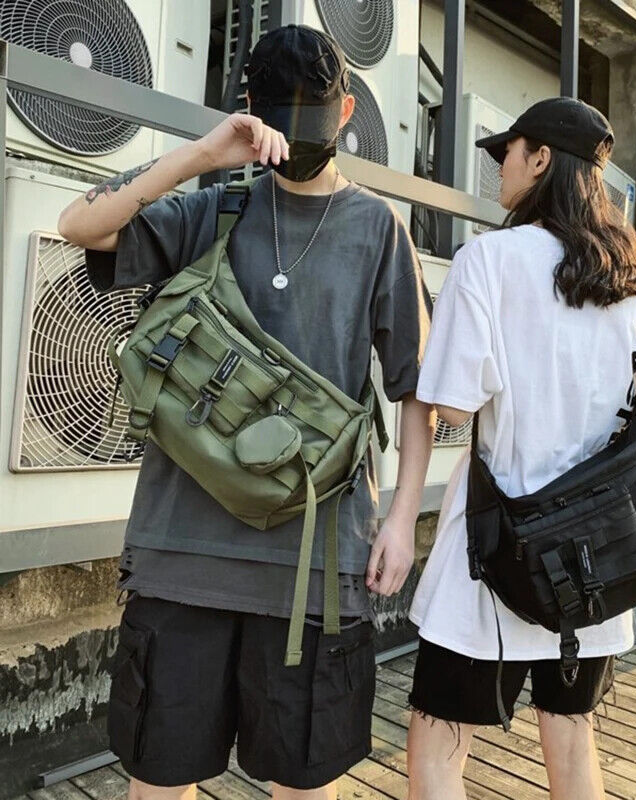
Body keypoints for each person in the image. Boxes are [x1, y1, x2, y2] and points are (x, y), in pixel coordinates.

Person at [58, 24, 434, 800]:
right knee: (158, 779)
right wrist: (202, 155)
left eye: (316, 122)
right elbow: (81, 225)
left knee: (304, 783)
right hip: (180, 554)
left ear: (346, 111)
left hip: (314, 565)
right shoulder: (215, 207)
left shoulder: (377, 228)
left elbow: (415, 390)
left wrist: (401, 520)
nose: (302, 141)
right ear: (252, 114)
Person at [405, 97, 636, 800]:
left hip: (495, 557)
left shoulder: (487, 260)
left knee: (439, 745)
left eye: (507, 154)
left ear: (540, 159)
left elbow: (452, 408)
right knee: (571, 741)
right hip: (600, 562)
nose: (501, 169)